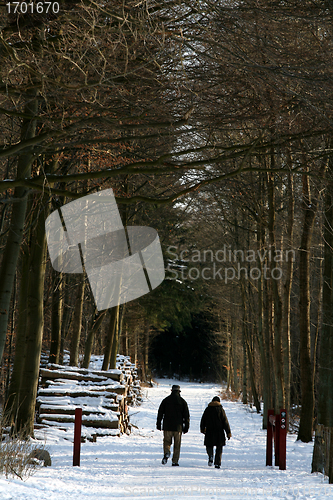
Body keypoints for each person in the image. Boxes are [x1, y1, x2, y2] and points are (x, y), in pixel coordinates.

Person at [156, 384, 190, 466]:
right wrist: (186, 427)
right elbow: (186, 416)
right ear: (179, 392)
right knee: (177, 445)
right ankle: (175, 461)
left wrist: (158, 424)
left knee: (167, 442)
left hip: (167, 426)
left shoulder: (166, 400)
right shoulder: (183, 402)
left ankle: (167, 452)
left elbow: (160, 413)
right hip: (178, 427)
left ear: (171, 391)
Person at [200, 396, 231, 469]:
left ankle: (210, 455)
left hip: (209, 430)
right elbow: (225, 422)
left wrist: (202, 429)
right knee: (219, 448)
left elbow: (203, 420)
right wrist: (228, 433)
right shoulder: (221, 410)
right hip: (219, 431)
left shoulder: (207, 409)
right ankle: (217, 463)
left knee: (209, 445)